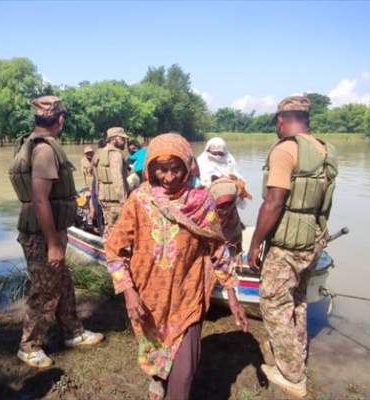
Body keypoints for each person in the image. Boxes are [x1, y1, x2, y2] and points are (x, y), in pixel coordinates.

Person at [105, 133, 248, 400]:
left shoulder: (202, 201)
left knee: (184, 372)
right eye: (161, 169)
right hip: (149, 298)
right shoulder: (139, 200)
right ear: (150, 169)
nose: (168, 177)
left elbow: (216, 247)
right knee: (156, 351)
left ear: (188, 165)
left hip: (188, 294)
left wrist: (232, 294)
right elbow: (114, 250)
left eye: (175, 169)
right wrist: (128, 291)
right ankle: (158, 378)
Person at [247, 96, 338, 398]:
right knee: (297, 299)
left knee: (273, 302)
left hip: (288, 244)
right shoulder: (325, 150)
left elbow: (274, 201)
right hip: (313, 239)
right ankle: (295, 356)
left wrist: (256, 243)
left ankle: (291, 375)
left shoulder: (286, 149)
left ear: (281, 120)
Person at [8, 96, 104, 368]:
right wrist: (53, 243)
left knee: (62, 282)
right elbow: (40, 199)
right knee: (45, 289)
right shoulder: (45, 151)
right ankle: (29, 346)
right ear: (60, 119)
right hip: (41, 234)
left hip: (47, 231)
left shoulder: (32, 144)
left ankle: (73, 332)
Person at [92, 127, 131, 236]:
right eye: (122, 139)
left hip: (104, 198)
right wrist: (124, 201)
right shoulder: (115, 154)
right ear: (113, 139)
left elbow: (95, 177)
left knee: (109, 225)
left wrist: (98, 195)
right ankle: (111, 250)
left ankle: (107, 247)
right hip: (116, 200)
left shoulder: (99, 153)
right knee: (117, 230)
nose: (125, 142)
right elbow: (117, 179)